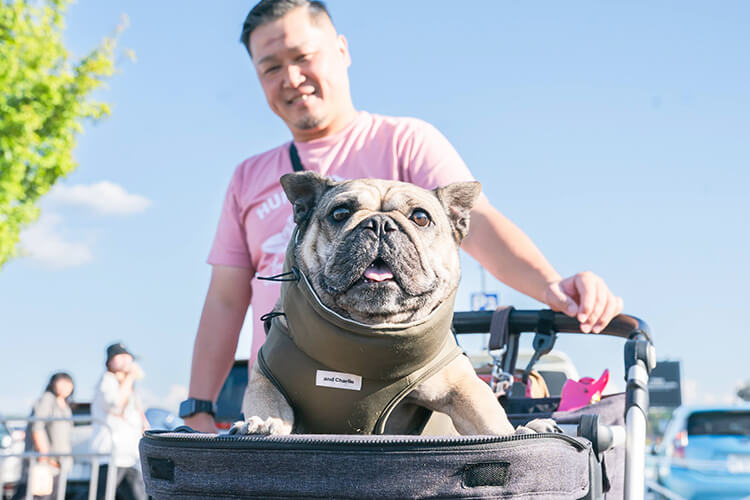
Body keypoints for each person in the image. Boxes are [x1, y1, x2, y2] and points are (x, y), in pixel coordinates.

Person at [182, 0, 624, 433]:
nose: (292, 78)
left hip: (401, 425)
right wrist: (198, 406)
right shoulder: (248, 177)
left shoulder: (406, 141)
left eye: (303, 56)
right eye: (271, 67)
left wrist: (553, 286)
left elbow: (479, 226)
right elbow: (225, 298)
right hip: (286, 412)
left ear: (341, 49)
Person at [89, 343, 148, 500]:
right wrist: (129, 377)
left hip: (129, 454)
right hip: (109, 453)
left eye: (129, 358)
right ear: (110, 361)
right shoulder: (107, 380)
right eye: (121, 357)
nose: (127, 361)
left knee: (138, 495)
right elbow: (115, 404)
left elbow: (139, 415)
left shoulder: (130, 386)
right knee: (104, 495)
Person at [12, 372, 75, 500]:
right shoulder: (47, 399)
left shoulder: (65, 406)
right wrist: (45, 455)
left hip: (58, 462)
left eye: (68, 383)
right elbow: (37, 427)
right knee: (34, 494)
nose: (65, 387)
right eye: (61, 382)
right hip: (44, 461)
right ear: (52, 384)